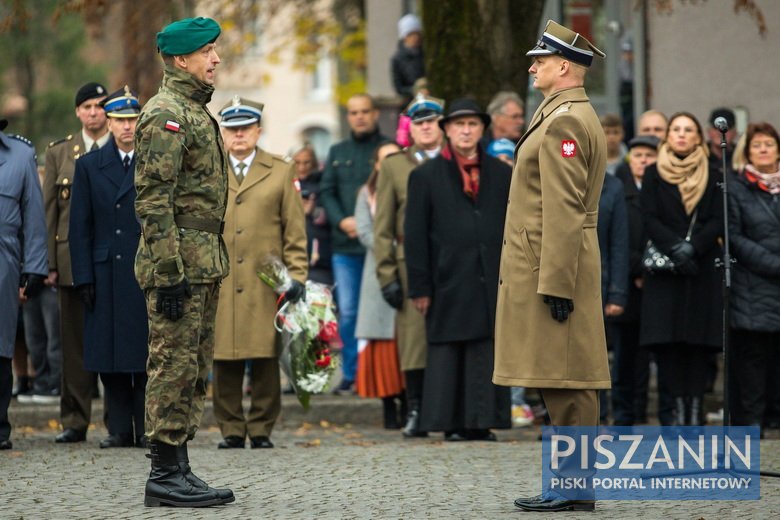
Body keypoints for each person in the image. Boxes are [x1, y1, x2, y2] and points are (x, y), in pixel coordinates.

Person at [492, 20, 609, 512]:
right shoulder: (563, 113)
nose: (533, 66)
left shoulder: (564, 120)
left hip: (554, 265)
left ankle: (572, 485)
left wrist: (557, 282)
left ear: (564, 66)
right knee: (561, 378)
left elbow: (563, 207)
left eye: (540, 59)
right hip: (551, 262)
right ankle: (572, 484)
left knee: (567, 382)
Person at [134, 17, 234, 507]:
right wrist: (168, 271)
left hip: (203, 261)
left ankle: (179, 466)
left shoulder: (194, 112)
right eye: (208, 52)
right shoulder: (165, 114)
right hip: (178, 266)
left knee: (192, 367)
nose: (215, 60)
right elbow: (153, 199)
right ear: (181, 59)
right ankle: (163, 474)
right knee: (171, 366)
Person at [405, 98, 512, 442]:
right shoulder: (425, 175)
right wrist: (420, 286)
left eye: (472, 125)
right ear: (447, 130)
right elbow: (415, 235)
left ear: (482, 129)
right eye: (459, 125)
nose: (466, 131)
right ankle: (451, 421)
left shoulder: (502, 172)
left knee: (485, 349)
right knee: (450, 350)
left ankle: (482, 420)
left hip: (490, 275)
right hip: (446, 277)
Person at [212, 96, 307, 450]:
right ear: (223, 133)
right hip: (221, 276)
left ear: (258, 131)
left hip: (266, 278)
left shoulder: (281, 170)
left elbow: (294, 231)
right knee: (223, 356)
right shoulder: (210, 169)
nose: (238, 135)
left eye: (245, 128)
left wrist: (296, 275)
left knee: (266, 354)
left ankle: (263, 426)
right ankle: (231, 428)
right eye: (232, 129)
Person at [68, 86, 149, 449]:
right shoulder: (88, 165)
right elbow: (79, 226)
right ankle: (119, 428)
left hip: (144, 269)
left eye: (132, 119)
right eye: (120, 120)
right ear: (110, 123)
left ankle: (148, 427)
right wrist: (82, 276)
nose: (127, 127)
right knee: (111, 355)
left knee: (146, 355)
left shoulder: (153, 162)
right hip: (106, 271)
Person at [639, 112, 723, 427]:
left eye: (689, 130)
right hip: (666, 273)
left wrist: (694, 247)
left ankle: (695, 411)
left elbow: (716, 218)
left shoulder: (715, 174)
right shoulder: (653, 173)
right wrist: (675, 248)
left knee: (699, 347)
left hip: (701, 271)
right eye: (676, 129)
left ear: (699, 138)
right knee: (669, 346)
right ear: (667, 136)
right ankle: (674, 413)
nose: (682, 135)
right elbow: (648, 217)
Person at [374, 94, 445, 437]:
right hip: (409, 263)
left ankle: (450, 409)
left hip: (453, 263)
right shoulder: (394, 166)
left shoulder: (457, 159)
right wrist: (386, 274)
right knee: (415, 342)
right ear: (410, 128)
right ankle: (416, 407)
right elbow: (383, 227)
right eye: (419, 122)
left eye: (431, 120)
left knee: (453, 335)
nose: (426, 127)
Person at [43, 81, 109, 443]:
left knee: (114, 341)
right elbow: (49, 212)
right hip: (69, 259)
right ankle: (74, 419)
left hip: (110, 259)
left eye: (100, 106)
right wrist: (48, 264)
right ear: (78, 112)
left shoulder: (121, 146)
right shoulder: (60, 153)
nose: (94, 113)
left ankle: (119, 418)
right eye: (87, 107)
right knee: (73, 346)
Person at [319, 94, 390, 393]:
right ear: (348, 117)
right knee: (348, 311)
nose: (359, 117)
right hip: (346, 247)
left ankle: (381, 375)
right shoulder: (337, 151)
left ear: (375, 114)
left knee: (382, 311)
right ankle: (352, 373)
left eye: (365, 111)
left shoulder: (388, 150)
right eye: (353, 112)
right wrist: (342, 221)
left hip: (380, 246)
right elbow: (327, 191)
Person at [728, 122, 780, 427]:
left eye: (769, 144)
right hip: (751, 292)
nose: (763, 149)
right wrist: (773, 264)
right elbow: (734, 236)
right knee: (753, 371)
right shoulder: (735, 187)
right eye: (757, 145)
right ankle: (753, 433)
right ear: (747, 152)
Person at [0, 119, 48, 450]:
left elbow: (33, 218)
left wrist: (33, 269)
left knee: (1, 349)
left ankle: (0, 427)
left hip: (4, 265)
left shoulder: (20, 154)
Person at [355, 142, 405, 429]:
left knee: (407, 340)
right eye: (384, 159)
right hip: (377, 272)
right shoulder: (366, 193)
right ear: (376, 164)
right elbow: (364, 232)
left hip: (410, 269)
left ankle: (410, 401)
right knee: (383, 340)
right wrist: (392, 248)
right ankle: (388, 404)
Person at [612, 135, 660, 426]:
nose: (643, 160)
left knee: (645, 358)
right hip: (625, 285)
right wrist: (637, 269)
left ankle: (640, 412)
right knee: (623, 356)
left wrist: (648, 270)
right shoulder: (618, 189)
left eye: (649, 155)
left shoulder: (660, 190)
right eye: (638, 154)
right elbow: (615, 237)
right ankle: (622, 414)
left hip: (654, 284)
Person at [597, 172, 629, 424]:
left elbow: (619, 243)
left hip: (599, 283)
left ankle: (598, 418)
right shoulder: (553, 177)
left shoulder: (612, 186)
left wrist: (617, 292)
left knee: (597, 358)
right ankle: (556, 421)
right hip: (557, 281)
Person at [293, 146, 333, 285]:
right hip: (292, 258)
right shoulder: (286, 186)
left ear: (314, 163)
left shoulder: (324, 185)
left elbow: (331, 216)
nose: (302, 167)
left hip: (320, 258)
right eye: (297, 162)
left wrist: (313, 211)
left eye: (306, 162)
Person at [391, 13, 425, 100]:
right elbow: (399, 88)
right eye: (410, 34)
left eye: (417, 34)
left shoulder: (424, 54)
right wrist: (414, 89)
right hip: (410, 103)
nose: (415, 38)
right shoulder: (397, 59)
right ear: (404, 37)